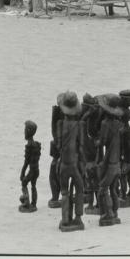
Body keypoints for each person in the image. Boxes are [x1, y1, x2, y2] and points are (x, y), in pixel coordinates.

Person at [56, 91, 85, 231]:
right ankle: (78, 217)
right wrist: (82, 163)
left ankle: (65, 219)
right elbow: (81, 147)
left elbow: (58, 144)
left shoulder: (60, 124)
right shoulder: (79, 125)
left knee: (65, 192)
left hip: (63, 164)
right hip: (74, 164)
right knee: (79, 188)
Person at [96, 93, 124, 226]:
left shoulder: (105, 124)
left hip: (111, 161)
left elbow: (102, 142)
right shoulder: (118, 123)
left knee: (103, 188)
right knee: (113, 189)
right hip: (117, 160)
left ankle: (109, 213)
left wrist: (97, 142)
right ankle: (115, 212)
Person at [19, 120, 41, 213]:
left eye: (25, 130)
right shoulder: (36, 144)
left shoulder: (29, 146)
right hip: (36, 169)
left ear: (28, 131)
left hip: (32, 170)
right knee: (33, 185)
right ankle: (34, 203)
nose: (24, 132)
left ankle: (26, 202)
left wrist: (22, 172)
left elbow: (26, 161)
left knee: (24, 183)